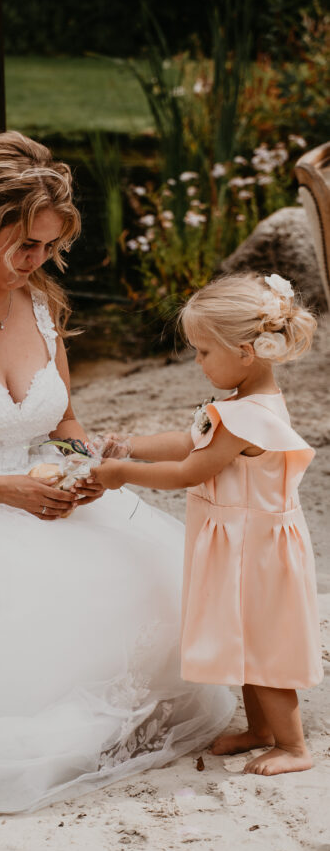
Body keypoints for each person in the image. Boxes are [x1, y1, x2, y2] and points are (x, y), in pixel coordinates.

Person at [0, 130, 234, 813]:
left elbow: (62, 421)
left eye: (50, 247)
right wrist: (3, 491)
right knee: (24, 599)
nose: (38, 262)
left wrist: (82, 467)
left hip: (39, 494)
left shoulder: (41, 305)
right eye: (25, 245)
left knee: (149, 575)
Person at [91, 273, 322, 776]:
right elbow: (188, 441)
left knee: (263, 647)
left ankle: (293, 747)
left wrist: (121, 475)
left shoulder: (247, 417)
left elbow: (189, 470)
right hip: (245, 543)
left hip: (255, 550)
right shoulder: (240, 405)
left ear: (245, 351)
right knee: (246, 639)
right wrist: (129, 446)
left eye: (203, 352)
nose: (197, 362)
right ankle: (260, 731)